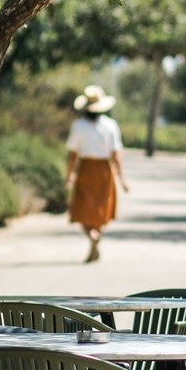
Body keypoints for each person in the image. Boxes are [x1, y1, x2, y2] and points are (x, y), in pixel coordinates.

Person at [65, 84, 128, 263]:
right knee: (100, 211)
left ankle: (91, 237)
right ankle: (95, 237)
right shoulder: (110, 126)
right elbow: (116, 154)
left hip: (86, 169)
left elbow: (73, 155)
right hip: (103, 172)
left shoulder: (78, 126)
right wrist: (123, 179)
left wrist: (69, 175)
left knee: (82, 209)